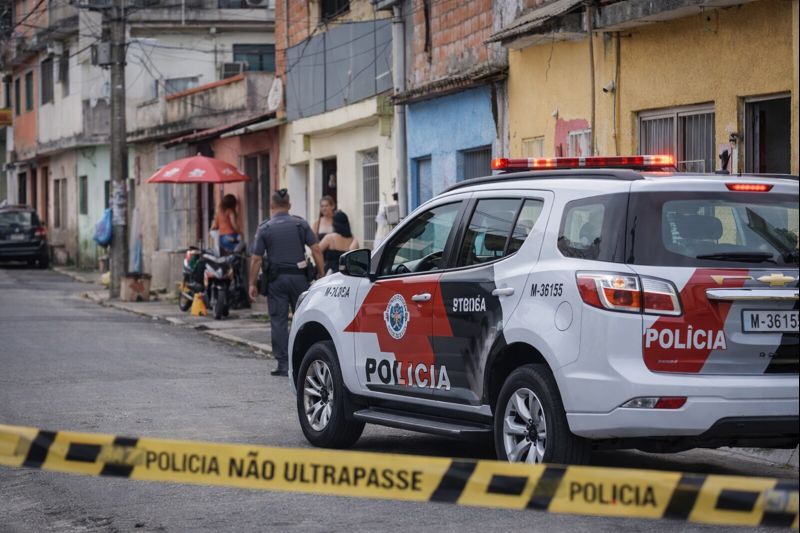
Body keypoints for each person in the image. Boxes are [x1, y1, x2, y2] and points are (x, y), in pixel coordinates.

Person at [249, 189, 325, 376]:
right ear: (289, 205)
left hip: (276, 281)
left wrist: (252, 283)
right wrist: (322, 274)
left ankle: (283, 364)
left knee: (278, 321)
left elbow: (256, 259)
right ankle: (303, 362)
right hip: (300, 279)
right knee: (303, 319)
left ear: (271, 206)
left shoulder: (265, 228)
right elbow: (316, 249)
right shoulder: (300, 224)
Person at [319, 211, 359, 275]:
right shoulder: (354, 240)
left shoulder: (329, 238)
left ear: (334, 224)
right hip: (347, 274)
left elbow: (317, 251)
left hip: (330, 274)